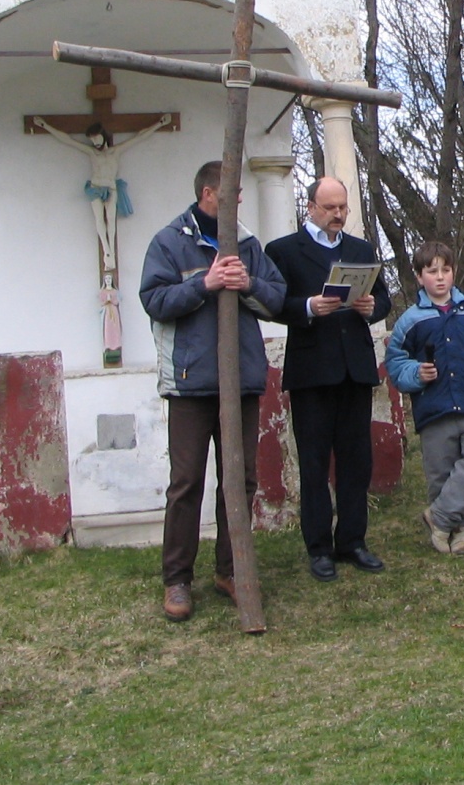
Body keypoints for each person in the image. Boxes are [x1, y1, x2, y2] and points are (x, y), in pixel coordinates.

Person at [139, 161, 285, 622]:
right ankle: (177, 580)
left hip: (239, 380)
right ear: (207, 195)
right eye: (231, 193)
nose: (239, 200)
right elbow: (155, 301)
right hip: (190, 383)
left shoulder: (246, 245)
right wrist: (205, 285)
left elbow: (276, 298)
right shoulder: (169, 242)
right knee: (186, 483)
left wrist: (247, 284)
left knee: (239, 481)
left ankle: (231, 570)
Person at [265, 176, 392, 581]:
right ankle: (319, 547)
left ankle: (353, 541)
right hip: (312, 371)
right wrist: (306, 307)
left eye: (343, 208)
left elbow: (385, 296)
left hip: (354, 368)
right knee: (315, 462)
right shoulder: (284, 251)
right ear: (312, 208)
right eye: (331, 208)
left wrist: (372, 306)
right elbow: (269, 302)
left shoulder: (360, 250)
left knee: (357, 461)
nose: (338, 215)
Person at [385, 241, 464, 555]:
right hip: (434, 408)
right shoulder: (410, 321)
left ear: (453, 272)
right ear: (418, 276)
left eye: (446, 270)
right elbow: (396, 365)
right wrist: (416, 374)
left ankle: (437, 516)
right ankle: (459, 532)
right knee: (441, 474)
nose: (440, 277)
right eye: (432, 271)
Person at [33, 113, 172, 270]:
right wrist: (44, 125)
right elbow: (68, 140)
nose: (95, 142)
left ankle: (111, 252)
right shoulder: (92, 152)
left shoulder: (116, 151)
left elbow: (139, 137)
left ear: (103, 136)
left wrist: (160, 123)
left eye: (97, 138)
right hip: (95, 188)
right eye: (92, 139)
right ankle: (107, 252)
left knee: (111, 221)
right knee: (100, 220)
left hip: (111, 187)